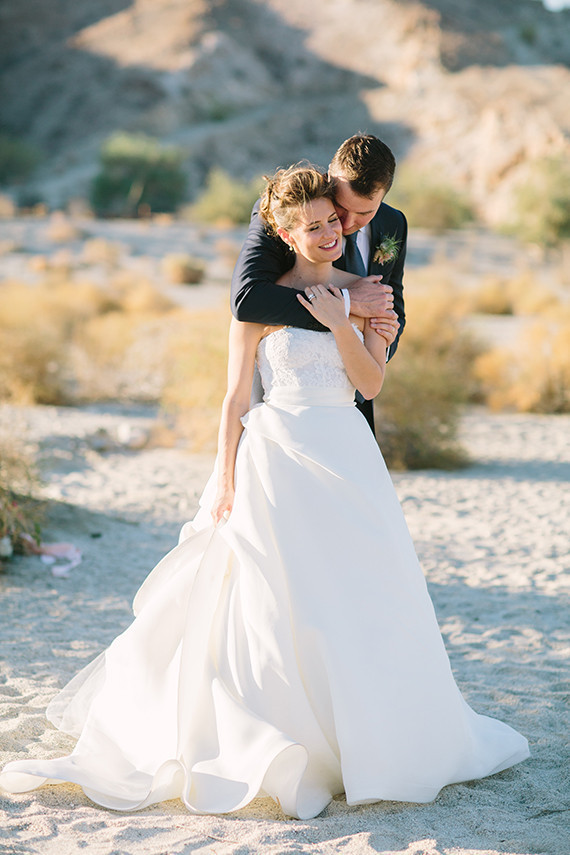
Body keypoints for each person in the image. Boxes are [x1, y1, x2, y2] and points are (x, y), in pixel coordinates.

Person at [0, 166, 529, 820]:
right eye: (313, 226)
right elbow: (234, 397)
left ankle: (370, 734)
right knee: (273, 599)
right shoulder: (259, 303)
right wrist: (225, 475)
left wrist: (344, 322)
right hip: (275, 457)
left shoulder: (367, 293)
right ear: (285, 233)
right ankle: (282, 736)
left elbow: (369, 384)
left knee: (360, 594)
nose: (330, 233)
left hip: (347, 455)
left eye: (333, 222)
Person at [231, 133, 406, 433]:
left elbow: (392, 300)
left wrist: (381, 339)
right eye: (341, 208)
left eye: (364, 213)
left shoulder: (394, 223)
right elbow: (247, 298)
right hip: (285, 405)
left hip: (352, 408)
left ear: (383, 197)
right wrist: (346, 305)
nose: (347, 224)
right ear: (331, 177)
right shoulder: (284, 211)